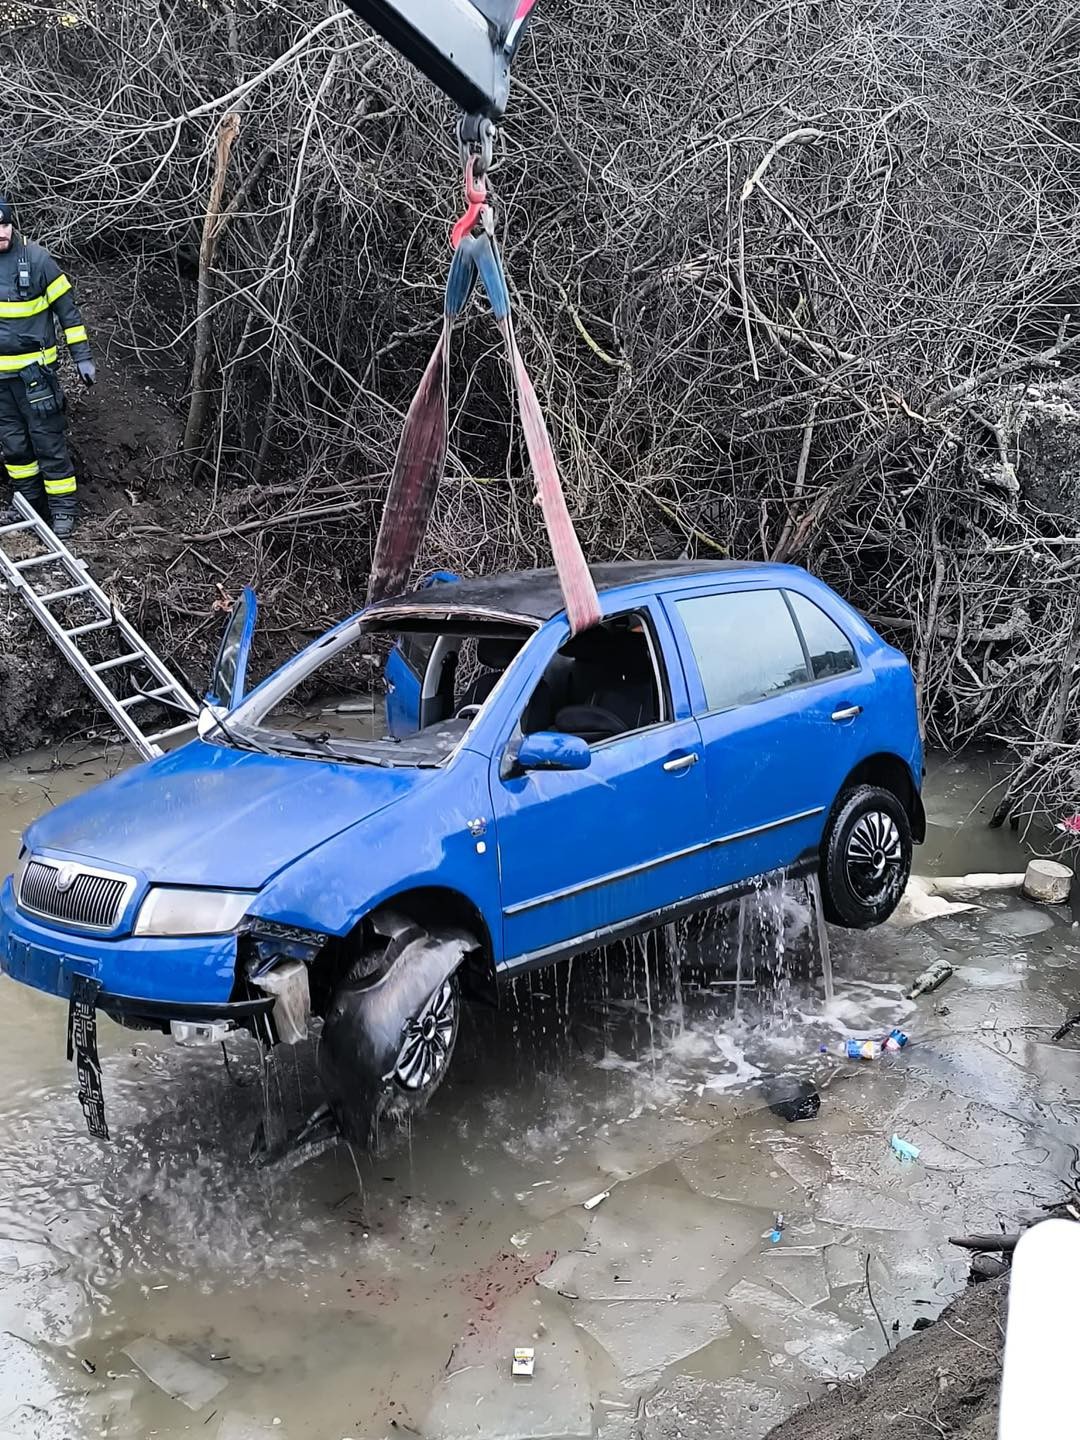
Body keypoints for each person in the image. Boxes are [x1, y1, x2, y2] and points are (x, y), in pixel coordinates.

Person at [0, 196, 95, 539]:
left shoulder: (37, 259)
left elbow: (68, 313)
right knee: (14, 446)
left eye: (4, 224)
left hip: (35, 378)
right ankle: (27, 503)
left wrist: (82, 357)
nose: (0, 232)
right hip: (1, 382)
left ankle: (63, 511)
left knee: (48, 442)